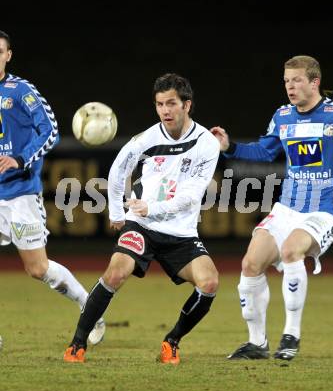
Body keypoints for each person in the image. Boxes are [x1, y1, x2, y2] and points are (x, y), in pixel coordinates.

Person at [211, 55, 333, 361]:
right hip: (288, 207)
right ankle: (257, 343)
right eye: (286, 81)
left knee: (292, 250)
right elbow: (265, 152)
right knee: (250, 264)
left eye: (297, 80)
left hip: (329, 207)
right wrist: (230, 147)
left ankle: (291, 335)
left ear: (314, 82)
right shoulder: (282, 116)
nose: (290, 87)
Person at [63, 73, 220, 364]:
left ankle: (171, 341)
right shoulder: (146, 139)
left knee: (209, 283)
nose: (165, 110)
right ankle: (77, 343)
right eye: (160, 104)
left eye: (171, 103)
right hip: (142, 226)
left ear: (187, 105)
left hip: (181, 232)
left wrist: (152, 208)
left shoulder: (206, 143)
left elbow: (192, 195)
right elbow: (118, 170)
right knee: (116, 273)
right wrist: (116, 212)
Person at [0, 30, 105, 345]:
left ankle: (90, 307)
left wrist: (20, 158)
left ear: (8, 55)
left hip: (19, 194)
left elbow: (51, 131)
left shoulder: (21, 91)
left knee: (37, 268)